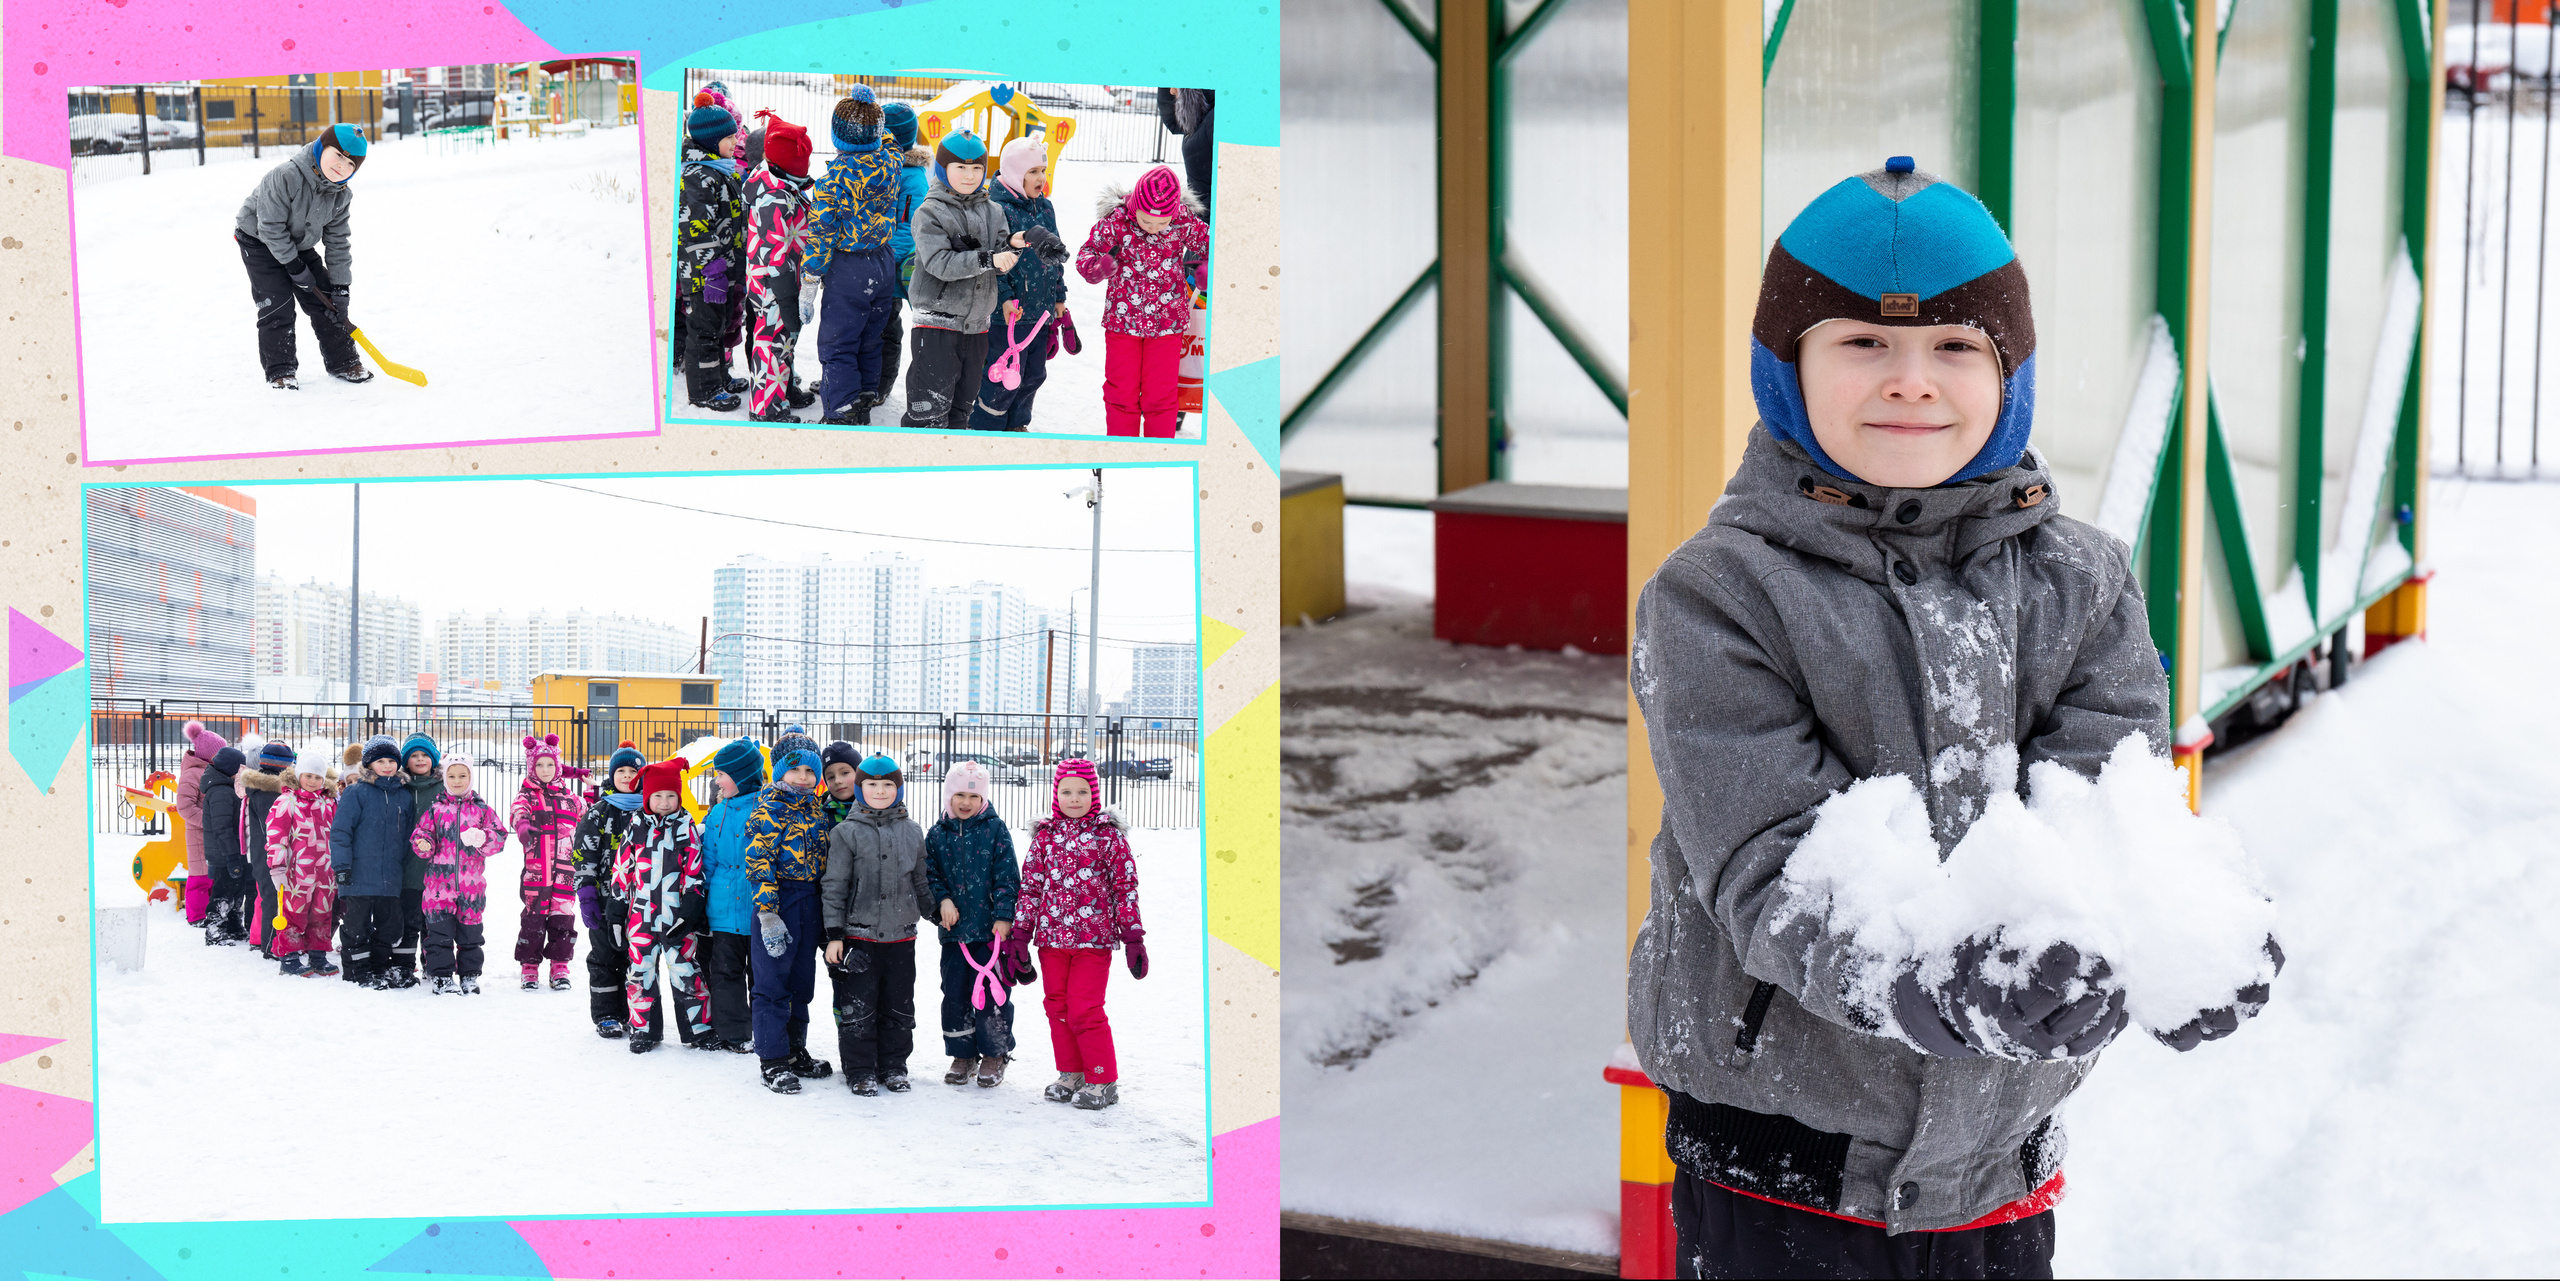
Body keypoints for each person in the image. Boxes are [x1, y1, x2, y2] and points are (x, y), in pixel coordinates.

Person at [1626, 157, 2280, 1276]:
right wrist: (1932, 970)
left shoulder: (2081, 583)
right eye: (1861, 342)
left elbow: (2103, 810)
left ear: (2008, 372)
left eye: (1954, 347)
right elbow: (1771, 858)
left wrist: (2174, 929)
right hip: (1782, 1168)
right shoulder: (1719, 596)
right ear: (1785, 368)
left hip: (1999, 1164)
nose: (1910, 382)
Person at [1014, 759, 1145, 1111]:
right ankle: (1071, 1073)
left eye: (1083, 791)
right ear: (1056, 794)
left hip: (1093, 940)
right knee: (1057, 1007)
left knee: (1085, 1008)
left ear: (1094, 794)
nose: (1074, 798)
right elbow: (1030, 888)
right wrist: (1020, 935)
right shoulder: (1045, 837)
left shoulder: (1108, 837)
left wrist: (1133, 937)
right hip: (1052, 939)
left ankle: (1102, 1077)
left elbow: (1125, 888)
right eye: (1067, 791)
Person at [820, 753, 931, 1096]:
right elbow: (834, 886)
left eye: (887, 785)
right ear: (859, 788)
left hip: (901, 938)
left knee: (899, 1007)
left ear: (899, 789)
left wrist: (937, 912)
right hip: (859, 938)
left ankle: (894, 1066)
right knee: (858, 1010)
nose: (880, 791)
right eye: (871, 784)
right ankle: (860, 1069)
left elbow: (921, 881)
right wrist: (834, 935)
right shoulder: (845, 833)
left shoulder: (913, 831)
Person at [233, 122, 371, 390]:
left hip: (297, 242)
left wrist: (341, 288)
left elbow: (338, 242)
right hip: (259, 240)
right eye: (338, 155)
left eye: (350, 164)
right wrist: (295, 267)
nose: (341, 166)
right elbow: (270, 226)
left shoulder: (341, 195)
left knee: (327, 302)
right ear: (321, 147)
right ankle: (281, 371)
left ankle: (344, 362)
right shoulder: (286, 176)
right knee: (278, 305)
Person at [1075, 165, 1210, 438]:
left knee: (1161, 395)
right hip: (1122, 322)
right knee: (1120, 392)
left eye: (1162, 223)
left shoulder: (1183, 220)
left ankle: (1159, 451)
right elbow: (1086, 254)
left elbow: (1218, 247)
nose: (1154, 228)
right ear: (1135, 206)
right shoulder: (1116, 222)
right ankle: (1122, 448)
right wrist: (1098, 268)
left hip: (1167, 324)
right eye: (1147, 220)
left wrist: (1206, 268)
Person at [900, 132, 1017, 431]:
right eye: (960, 167)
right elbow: (939, 263)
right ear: (943, 169)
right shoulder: (930, 212)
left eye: (977, 168)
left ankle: (952, 456)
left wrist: (1018, 244)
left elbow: (1001, 258)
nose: (969, 175)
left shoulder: (993, 211)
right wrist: (987, 259)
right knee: (928, 410)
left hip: (976, 327)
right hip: (937, 326)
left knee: (961, 409)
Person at [743, 728, 836, 1092]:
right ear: (780, 771)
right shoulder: (769, 808)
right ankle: (773, 1059)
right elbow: (759, 861)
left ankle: (795, 1050)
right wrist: (767, 913)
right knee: (772, 983)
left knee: (801, 982)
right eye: (795, 769)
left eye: (810, 771)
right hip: (778, 902)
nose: (803, 777)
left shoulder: (816, 809)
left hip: (809, 902)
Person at [808, 86, 905, 425]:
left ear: (837, 136)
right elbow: (892, 141)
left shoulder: (832, 182)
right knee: (870, 337)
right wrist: (873, 118)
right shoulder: (891, 162)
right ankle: (865, 394)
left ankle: (842, 409)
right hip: (883, 262)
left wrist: (810, 277)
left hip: (848, 268)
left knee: (838, 341)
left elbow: (821, 234)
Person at [924, 760, 1020, 1088]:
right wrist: (942, 901)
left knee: (993, 995)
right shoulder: (937, 835)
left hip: (990, 933)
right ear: (948, 796)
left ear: (983, 799)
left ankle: (995, 1053)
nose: (966, 802)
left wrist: (1004, 916)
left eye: (974, 796)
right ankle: (962, 1054)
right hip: (955, 934)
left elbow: (1007, 876)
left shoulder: (995, 830)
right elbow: (930, 875)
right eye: (960, 795)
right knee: (954, 994)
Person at [971, 137, 1071, 432]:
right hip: (1010, 314)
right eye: (1033, 172)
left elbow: (1055, 256)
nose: (1041, 178)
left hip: (1039, 312)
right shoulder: (997, 209)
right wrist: (1003, 298)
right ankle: (986, 426)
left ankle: (1017, 425)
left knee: (1033, 375)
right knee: (1001, 377)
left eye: (1043, 171)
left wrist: (1059, 296)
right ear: (1016, 174)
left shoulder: (1046, 208)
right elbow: (994, 261)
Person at [616, 757, 711, 1053]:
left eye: (671, 795)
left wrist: (692, 906)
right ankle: (643, 1030)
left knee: (686, 972)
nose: (665, 802)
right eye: (658, 795)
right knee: (640, 973)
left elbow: (695, 870)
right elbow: (623, 868)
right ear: (647, 797)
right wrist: (616, 908)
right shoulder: (635, 826)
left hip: (676, 917)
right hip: (641, 917)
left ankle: (699, 1029)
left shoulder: (686, 827)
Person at [742, 110, 820, 424]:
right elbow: (772, 254)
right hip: (774, 285)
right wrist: (786, 297)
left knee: (783, 342)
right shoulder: (774, 197)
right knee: (771, 344)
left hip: (784, 280)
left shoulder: (782, 184)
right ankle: (766, 409)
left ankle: (782, 392)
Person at [677, 97, 751, 412]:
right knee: (704, 332)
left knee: (718, 328)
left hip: (722, 269)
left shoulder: (718, 170)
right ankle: (704, 391)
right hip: (703, 275)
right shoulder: (698, 176)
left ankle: (719, 378)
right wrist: (712, 271)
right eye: (730, 137)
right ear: (710, 140)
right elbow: (695, 228)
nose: (736, 142)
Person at [413, 757, 507, 996]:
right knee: (439, 934)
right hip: (438, 886)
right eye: (452, 776)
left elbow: (499, 836)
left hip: (471, 887)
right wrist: (424, 843)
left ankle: (469, 975)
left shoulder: (482, 810)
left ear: (471, 777)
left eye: (462, 776)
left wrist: (483, 838)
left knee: (471, 935)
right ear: (445, 779)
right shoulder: (436, 809)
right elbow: (421, 833)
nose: (457, 781)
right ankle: (441, 976)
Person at [330, 735, 417, 989]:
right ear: (369, 764)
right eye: (381, 761)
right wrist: (342, 867)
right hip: (358, 875)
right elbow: (341, 832)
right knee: (356, 927)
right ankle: (357, 971)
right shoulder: (356, 792)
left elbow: (408, 836)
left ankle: (379, 969)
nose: (387, 766)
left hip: (390, 876)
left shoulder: (403, 795)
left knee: (387, 927)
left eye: (392, 761)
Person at [575, 741, 649, 1036]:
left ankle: (633, 1012)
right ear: (611, 775)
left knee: (636, 959)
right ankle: (607, 1014)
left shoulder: (650, 809)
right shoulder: (598, 812)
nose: (627, 776)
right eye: (621, 771)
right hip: (605, 900)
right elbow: (584, 853)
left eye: (633, 771)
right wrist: (586, 893)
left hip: (642, 902)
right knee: (605, 957)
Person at [699, 737, 767, 1053]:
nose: (717, 780)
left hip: (760, 907)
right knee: (725, 972)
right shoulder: (717, 814)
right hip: (723, 909)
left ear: (740, 776)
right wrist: (703, 900)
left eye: (722, 774)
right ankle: (734, 1032)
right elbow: (709, 862)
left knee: (762, 975)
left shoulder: (768, 810)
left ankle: (765, 1028)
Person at [264, 742, 341, 978]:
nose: (313, 781)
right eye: (308, 776)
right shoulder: (287, 801)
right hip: (296, 871)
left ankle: (318, 954)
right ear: (299, 775)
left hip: (325, 870)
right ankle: (289, 957)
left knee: (322, 912)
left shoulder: (329, 803)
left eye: (318, 777)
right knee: (294, 913)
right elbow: (276, 835)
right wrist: (277, 867)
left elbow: (338, 834)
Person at [511, 734, 581, 992]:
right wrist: (523, 827)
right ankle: (529, 967)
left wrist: (595, 791)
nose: (545, 770)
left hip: (565, 872)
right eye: (539, 765)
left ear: (558, 766)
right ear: (532, 767)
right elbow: (518, 813)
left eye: (550, 764)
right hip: (537, 872)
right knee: (533, 920)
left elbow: (589, 813)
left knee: (563, 919)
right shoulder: (526, 796)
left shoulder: (570, 797)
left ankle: (560, 966)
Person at [880, 102, 931, 403]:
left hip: (891, 266)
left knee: (887, 329)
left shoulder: (912, 177)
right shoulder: (885, 168)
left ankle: (881, 384)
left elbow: (906, 229)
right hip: (879, 262)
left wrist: (886, 261)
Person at [390, 732, 446, 989]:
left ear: (434, 759)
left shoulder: (445, 787)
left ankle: (433, 966)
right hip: (407, 868)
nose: (420, 759)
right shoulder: (399, 787)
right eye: (414, 755)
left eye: (425, 755)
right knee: (408, 920)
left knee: (434, 923)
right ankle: (402, 967)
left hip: (438, 869)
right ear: (406, 761)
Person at [239, 737, 295, 959]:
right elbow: (271, 827)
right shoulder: (269, 792)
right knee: (273, 897)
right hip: (269, 853)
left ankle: (271, 942)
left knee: (272, 896)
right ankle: (271, 945)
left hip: (264, 852)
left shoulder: (262, 789)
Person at [174, 720, 227, 927]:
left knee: (212, 874)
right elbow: (184, 806)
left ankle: (211, 912)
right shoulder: (192, 774)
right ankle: (196, 916)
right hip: (199, 834)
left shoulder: (211, 771)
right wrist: (208, 821)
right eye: (219, 753)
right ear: (208, 755)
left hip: (212, 834)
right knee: (199, 877)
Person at [197, 742, 250, 946]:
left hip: (231, 851)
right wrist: (231, 856)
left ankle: (233, 926)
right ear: (230, 770)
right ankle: (214, 930)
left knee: (236, 890)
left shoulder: (228, 789)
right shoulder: (221, 792)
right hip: (224, 853)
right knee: (223, 892)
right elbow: (222, 828)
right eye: (240, 769)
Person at [1155, 87, 1215, 222]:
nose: (1171, 91)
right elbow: (1175, 122)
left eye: (1175, 85)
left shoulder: (1215, 119)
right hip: (1205, 219)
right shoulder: (1201, 121)